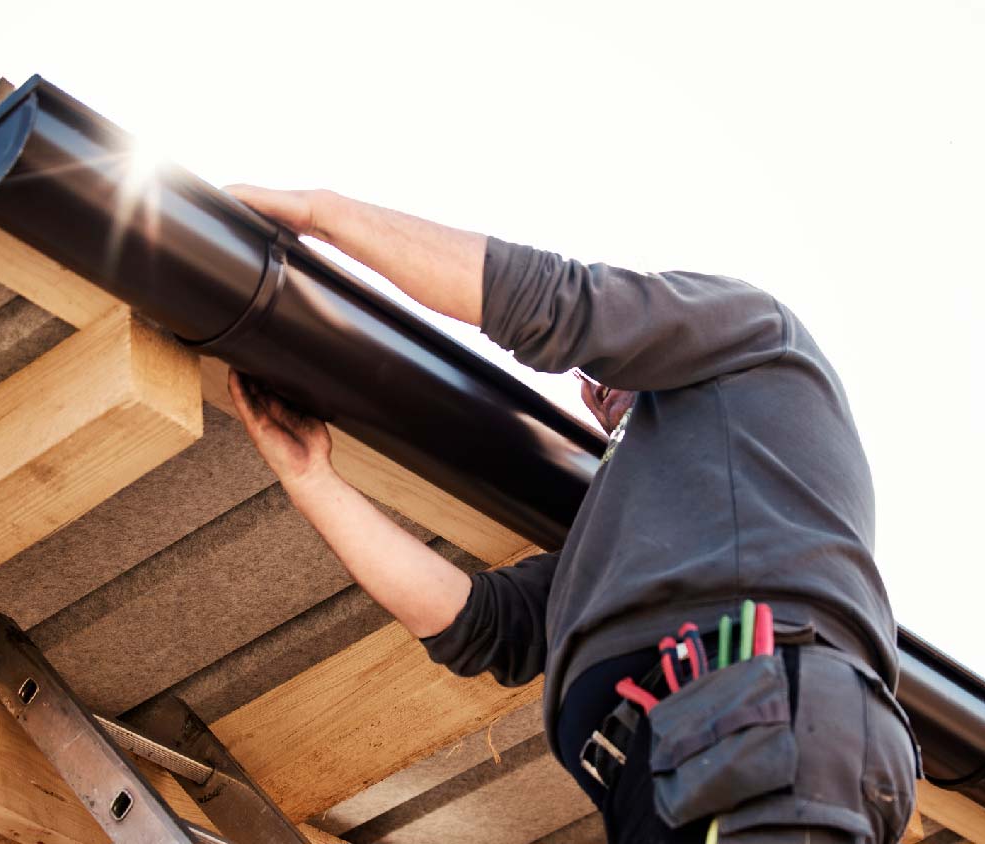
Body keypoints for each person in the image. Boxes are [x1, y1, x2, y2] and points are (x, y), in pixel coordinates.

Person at [223, 185, 919, 844]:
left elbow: (558, 303)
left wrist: (324, 213)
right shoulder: (638, 543)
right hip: (693, 755)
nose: (593, 388)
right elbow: (484, 627)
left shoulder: (756, 336)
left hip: (751, 722)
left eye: (609, 366)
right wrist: (312, 479)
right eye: (589, 386)